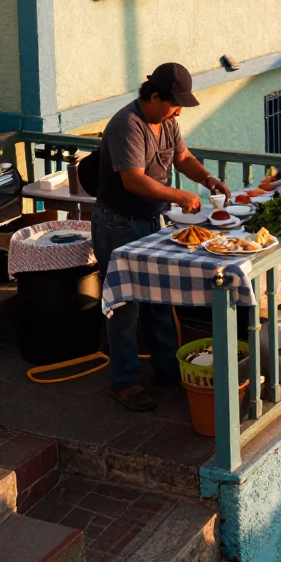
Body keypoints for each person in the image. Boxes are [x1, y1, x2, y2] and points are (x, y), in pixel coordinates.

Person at [92, 62, 231, 412]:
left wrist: (207, 180)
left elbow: (182, 157)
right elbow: (133, 180)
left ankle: (169, 370)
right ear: (153, 97)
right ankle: (124, 382)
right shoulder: (128, 125)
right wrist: (179, 197)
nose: (178, 110)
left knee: (159, 299)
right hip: (118, 224)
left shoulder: (167, 122)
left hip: (151, 221)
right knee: (125, 305)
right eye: (174, 103)